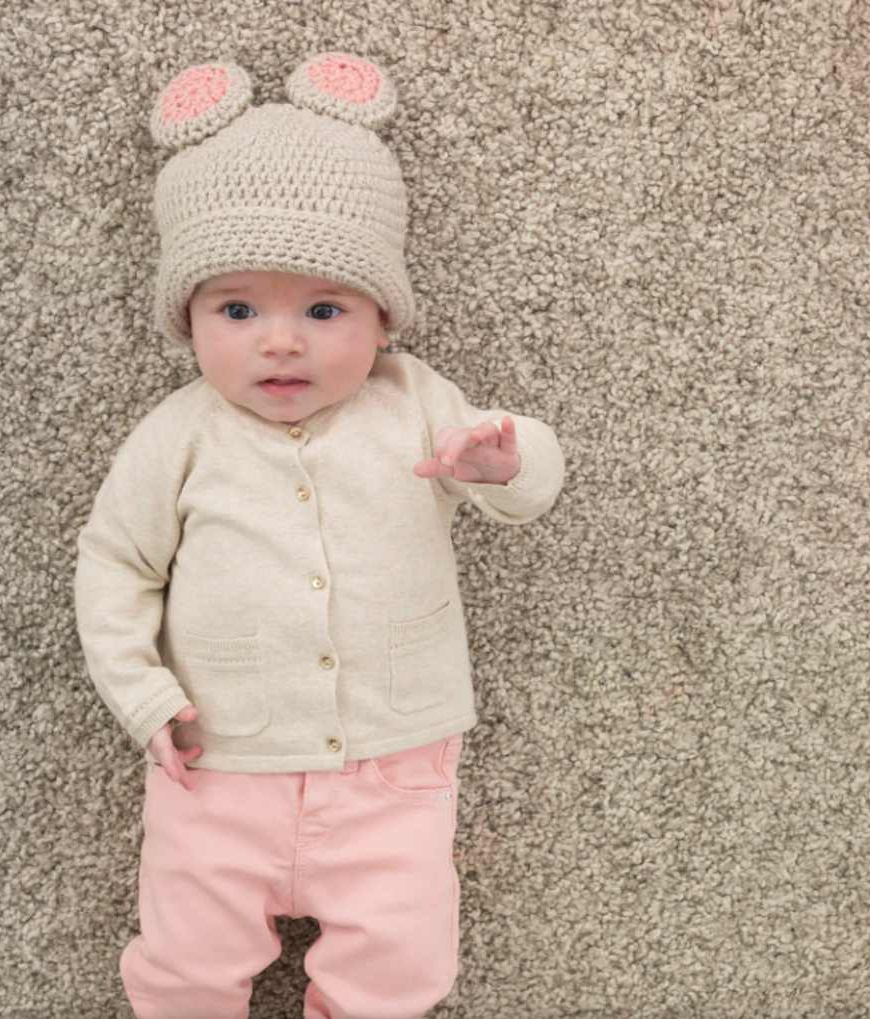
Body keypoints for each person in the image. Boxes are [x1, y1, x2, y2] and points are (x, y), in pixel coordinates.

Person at [74, 51, 565, 1019]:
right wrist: (141, 692)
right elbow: (114, 562)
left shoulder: (416, 402)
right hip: (214, 763)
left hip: (393, 760)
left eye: (324, 308)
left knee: (402, 956)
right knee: (181, 961)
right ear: (189, 318)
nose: (281, 340)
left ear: (383, 318)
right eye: (238, 308)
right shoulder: (179, 432)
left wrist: (502, 460)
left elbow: (530, 484)